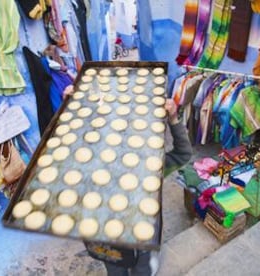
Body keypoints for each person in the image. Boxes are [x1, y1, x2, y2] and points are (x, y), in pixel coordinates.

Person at [63, 85, 192, 275]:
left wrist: (173, 119)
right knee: (128, 267)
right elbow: (183, 154)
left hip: (123, 241)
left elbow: (183, 154)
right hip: (115, 241)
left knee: (134, 268)